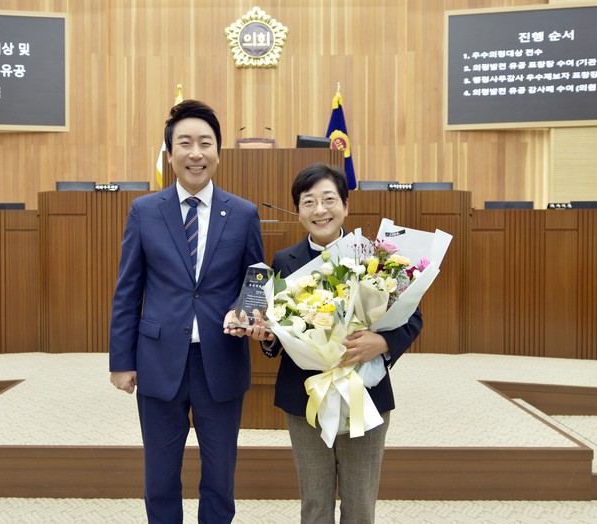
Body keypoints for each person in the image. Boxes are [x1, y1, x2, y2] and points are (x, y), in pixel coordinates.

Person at [109, 99, 265, 523]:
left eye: (205, 143)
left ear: (218, 152)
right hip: (159, 359)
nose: (196, 153)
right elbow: (128, 291)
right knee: (160, 475)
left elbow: (255, 283)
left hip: (222, 357)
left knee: (220, 475)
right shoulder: (145, 211)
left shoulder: (243, 213)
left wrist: (244, 313)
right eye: (185, 143)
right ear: (170, 152)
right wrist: (121, 361)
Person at [242, 162, 422, 524]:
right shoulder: (284, 261)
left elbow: (412, 317)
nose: (320, 210)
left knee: (360, 505)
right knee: (315, 504)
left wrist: (381, 342)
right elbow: (279, 329)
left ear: (345, 205)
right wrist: (267, 337)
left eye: (328, 199)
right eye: (309, 202)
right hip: (305, 397)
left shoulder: (375, 256)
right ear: (298, 211)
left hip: (365, 394)